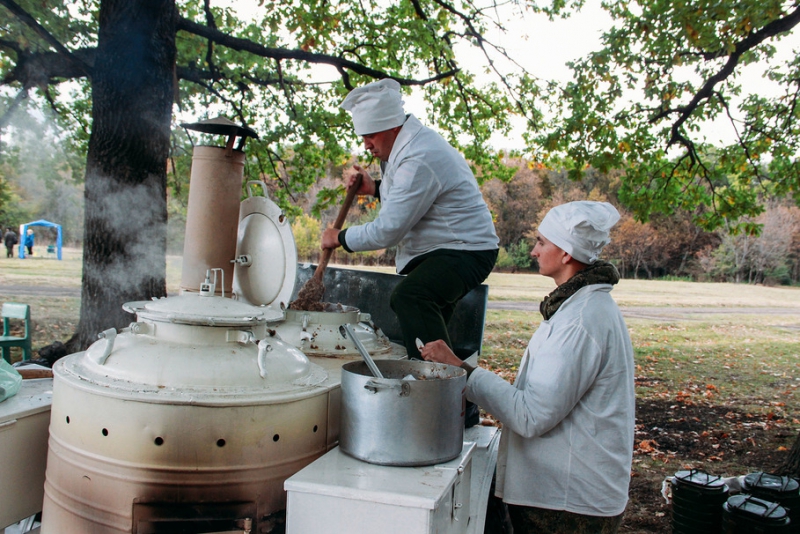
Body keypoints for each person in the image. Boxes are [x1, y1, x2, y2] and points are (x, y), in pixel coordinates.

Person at [421, 201, 635, 534]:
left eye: (541, 242)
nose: (534, 251)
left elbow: (530, 415)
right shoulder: (579, 307)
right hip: (568, 495)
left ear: (566, 253)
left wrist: (463, 370)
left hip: (569, 504)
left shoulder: (580, 321)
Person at [322, 79, 499, 363]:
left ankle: (433, 387)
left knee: (411, 297)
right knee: (430, 329)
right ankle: (445, 393)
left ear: (392, 126)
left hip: (467, 251)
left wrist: (340, 238)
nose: (366, 144)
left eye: (371, 135)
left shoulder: (420, 155)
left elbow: (387, 231)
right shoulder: (403, 147)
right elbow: (411, 196)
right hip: (446, 250)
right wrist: (375, 188)